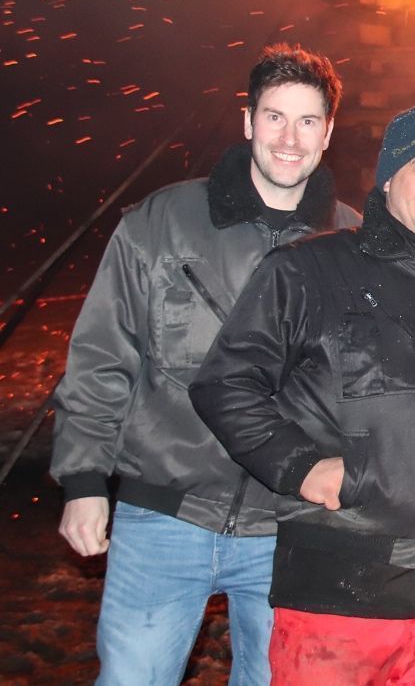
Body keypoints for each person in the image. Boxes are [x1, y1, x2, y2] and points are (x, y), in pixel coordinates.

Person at [190, 104, 415, 684]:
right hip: (337, 600)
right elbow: (225, 382)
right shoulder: (311, 270)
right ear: (388, 176)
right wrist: (300, 466)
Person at [49, 44, 358, 685]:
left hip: (291, 526)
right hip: (164, 515)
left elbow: (373, 390)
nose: (290, 139)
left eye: (308, 122)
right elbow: (105, 351)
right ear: (247, 121)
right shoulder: (163, 222)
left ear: (329, 133)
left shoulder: (354, 244)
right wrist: (84, 479)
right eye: (275, 117)